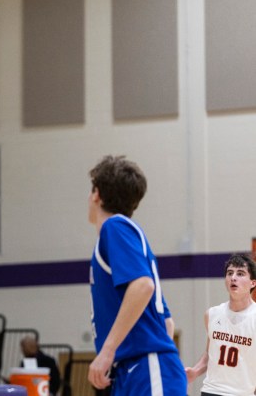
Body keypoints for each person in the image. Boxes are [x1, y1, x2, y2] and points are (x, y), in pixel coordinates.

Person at [87, 155, 186, 395]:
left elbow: (143, 286)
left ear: (97, 194)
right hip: (138, 370)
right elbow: (167, 323)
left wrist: (108, 351)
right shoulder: (125, 237)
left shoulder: (115, 227)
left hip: (144, 367)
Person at [185, 253, 256, 395]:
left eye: (240, 273)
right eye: (230, 273)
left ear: (253, 283)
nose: (233, 278)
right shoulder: (211, 314)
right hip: (211, 391)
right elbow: (209, 353)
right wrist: (195, 371)